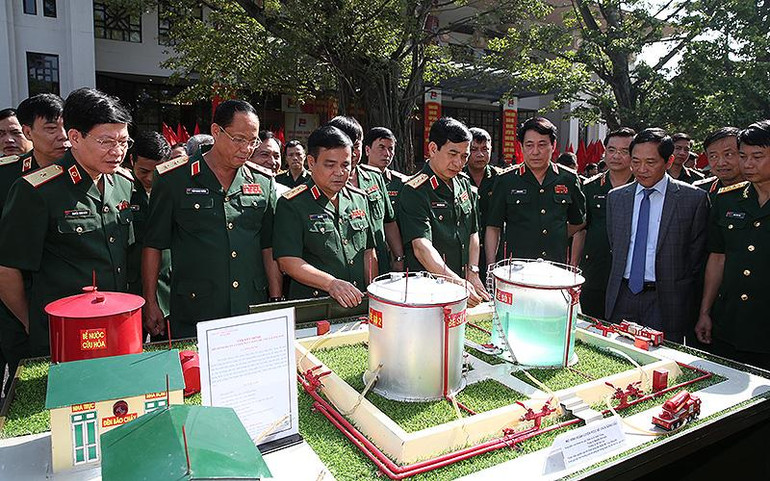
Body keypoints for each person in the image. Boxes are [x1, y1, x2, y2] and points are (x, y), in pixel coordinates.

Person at [0, 87, 135, 356]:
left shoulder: (123, 183)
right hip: (65, 333)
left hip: (116, 325)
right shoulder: (37, 190)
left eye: (124, 141)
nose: (117, 151)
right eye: (106, 142)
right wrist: (33, 322)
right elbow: (7, 270)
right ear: (75, 137)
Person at [142, 100, 282, 339]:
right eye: (238, 139)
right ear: (216, 131)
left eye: (253, 141)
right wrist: (151, 301)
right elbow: (154, 245)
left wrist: (275, 299)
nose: (246, 149)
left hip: (249, 304)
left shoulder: (262, 181)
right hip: (196, 308)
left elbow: (268, 246)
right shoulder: (174, 178)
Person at [605, 128, 708, 342]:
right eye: (636, 161)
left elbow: (696, 257)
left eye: (650, 162)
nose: (641, 169)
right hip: (622, 295)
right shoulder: (617, 198)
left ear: (669, 161)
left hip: (667, 300)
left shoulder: (692, 199)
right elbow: (615, 244)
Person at [273, 125, 377, 307]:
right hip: (316, 305)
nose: (339, 172)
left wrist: (371, 292)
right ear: (311, 162)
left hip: (359, 301)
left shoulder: (359, 199)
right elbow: (287, 261)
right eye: (330, 165)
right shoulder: (292, 203)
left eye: (345, 165)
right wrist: (331, 284)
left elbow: (368, 252)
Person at [695, 120, 770, 369]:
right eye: (743, 156)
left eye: (757, 157)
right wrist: (705, 311)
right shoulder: (727, 199)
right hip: (730, 320)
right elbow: (718, 257)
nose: (748, 164)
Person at [398, 117, 489, 307]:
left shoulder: (464, 183)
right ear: (433, 149)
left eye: (464, 156)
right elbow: (421, 247)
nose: (458, 163)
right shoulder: (415, 191)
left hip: (463, 284)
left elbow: (473, 232)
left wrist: (472, 272)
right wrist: (454, 281)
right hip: (428, 289)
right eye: (452, 154)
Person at [486, 117, 586, 265]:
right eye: (529, 145)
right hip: (517, 266)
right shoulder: (506, 180)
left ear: (553, 145)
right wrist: (491, 266)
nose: (535, 152)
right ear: (521, 147)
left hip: (554, 265)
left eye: (542, 145)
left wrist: (555, 233)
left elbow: (578, 221)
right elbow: (494, 227)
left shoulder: (568, 179)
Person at [571, 127, 635, 319]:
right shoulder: (590, 187)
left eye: (624, 151)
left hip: (629, 273)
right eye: (611, 150)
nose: (616, 156)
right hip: (595, 269)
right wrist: (574, 265)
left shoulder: (642, 187)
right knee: (592, 322)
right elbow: (581, 229)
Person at [328, 116, 403, 273]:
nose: (353, 153)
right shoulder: (325, 183)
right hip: (342, 273)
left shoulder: (374, 177)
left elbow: (389, 222)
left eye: (356, 146)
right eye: (346, 146)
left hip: (380, 265)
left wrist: (398, 258)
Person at [126, 131, 172, 323]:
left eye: (157, 171)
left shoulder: (175, 189)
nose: (151, 178)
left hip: (169, 289)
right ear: (132, 160)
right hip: (131, 290)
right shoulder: (121, 190)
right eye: (144, 171)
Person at [463, 127, 501, 282]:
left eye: (485, 149)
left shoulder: (500, 179)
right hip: (466, 251)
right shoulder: (457, 177)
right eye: (474, 149)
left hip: (495, 252)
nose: (480, 154)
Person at [363, 127, 409, 212]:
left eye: (390, 149)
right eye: (381, 147)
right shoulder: (357, 179)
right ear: (367, 150)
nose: (387, 154)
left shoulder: (400, 183)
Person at [693, 127, 744, 198]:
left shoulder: (758, 188)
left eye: (728, 154)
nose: (721, 163)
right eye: (713, 156)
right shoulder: (699, 191)